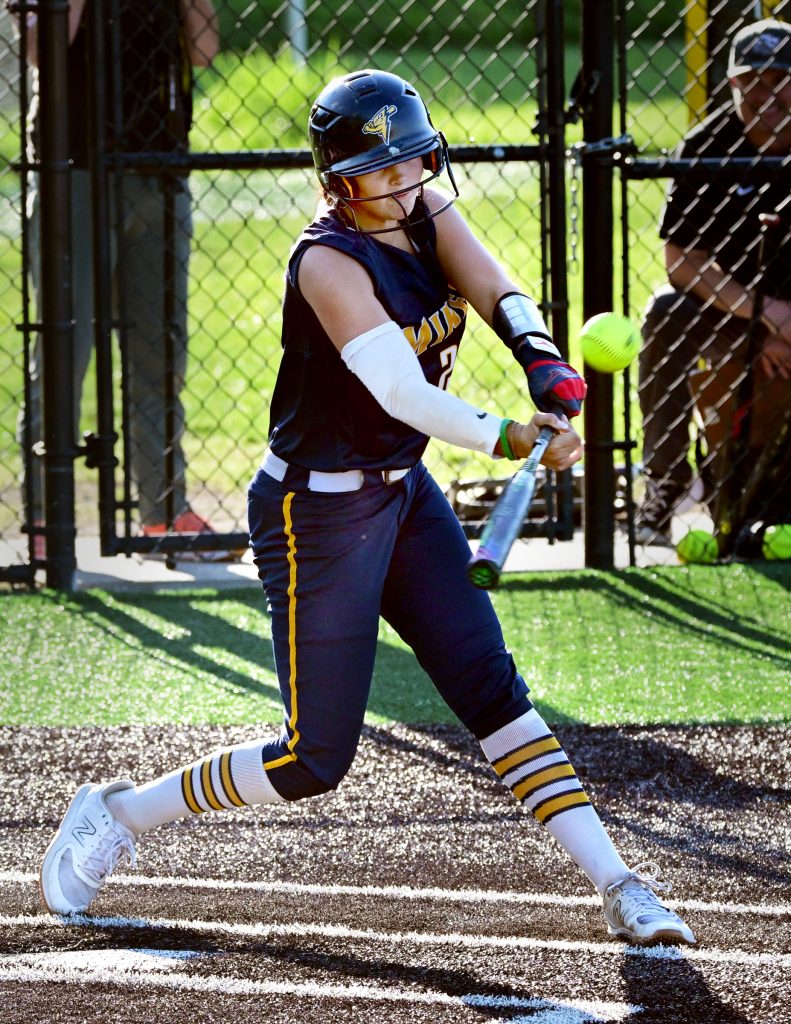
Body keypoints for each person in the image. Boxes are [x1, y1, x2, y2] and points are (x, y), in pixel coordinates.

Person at [39, 69, 695, 947]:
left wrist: (540, 359)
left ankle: (619, 883)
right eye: (379, 170)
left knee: (491, 691)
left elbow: (498, 291)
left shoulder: (426, 211)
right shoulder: (327, 262)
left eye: (412, 161)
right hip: (315, 515)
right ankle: (120, 811)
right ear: (337, 183)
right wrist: (509, 436)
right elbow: (399, 392)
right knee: (312, 759)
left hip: (403, 494)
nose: (402, 182)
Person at [17, 0, 222, 555]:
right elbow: (41, 51)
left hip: (157, 168)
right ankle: (47, 520)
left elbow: (204, 51)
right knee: (64, 353)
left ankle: (163, 510)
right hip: (72, 171)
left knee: (159, 354)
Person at [636, 18, 791, 546]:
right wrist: (766, 317)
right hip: (733, 310)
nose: (768, 94)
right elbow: (681, 260)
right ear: (732, 85)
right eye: (754, 81)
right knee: (666, 312)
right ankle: (666, 482)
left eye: (781, 80)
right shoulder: (707, 144)